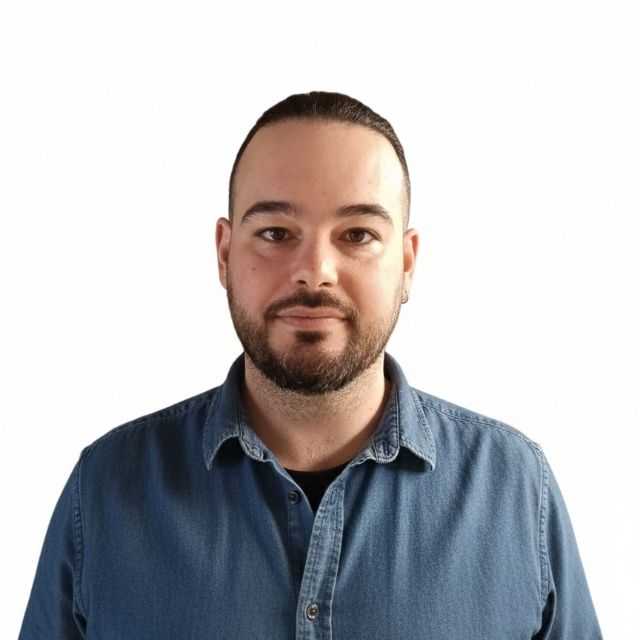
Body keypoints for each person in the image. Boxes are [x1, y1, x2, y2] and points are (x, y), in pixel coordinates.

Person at [19, 91, 602, 639]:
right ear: (225, 254)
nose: (315, 270)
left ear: (406, 263)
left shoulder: (517, 490)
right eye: (276, 233)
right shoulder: (105, 490)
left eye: (358, 234)